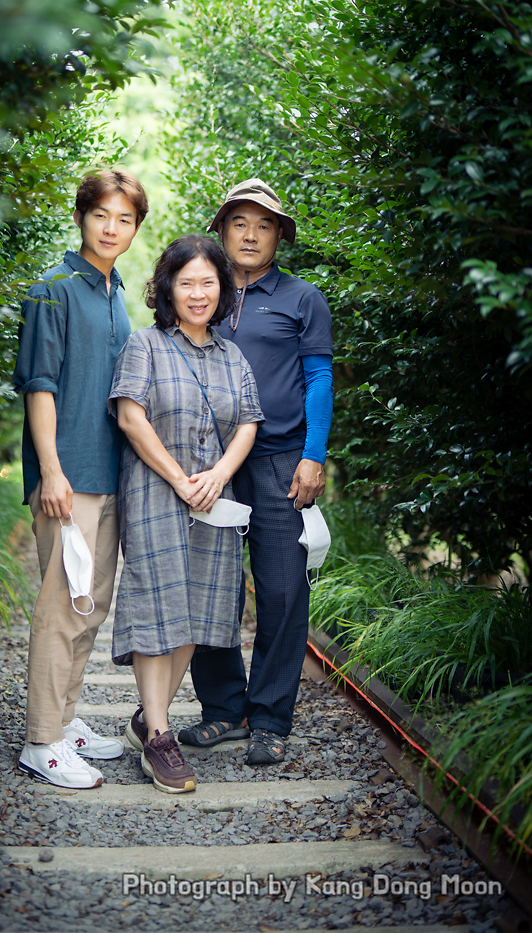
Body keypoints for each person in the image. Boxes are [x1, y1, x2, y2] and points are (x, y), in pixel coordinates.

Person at [178, 178, 333, 766]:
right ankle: (223, 710)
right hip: (209, 463)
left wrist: (313, 455)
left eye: (264, 225)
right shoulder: (203, 292)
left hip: (279, 462)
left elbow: (318, 380)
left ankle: (270, 717)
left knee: (284, 588)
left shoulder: (301, 299)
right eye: (240, 222)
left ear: (278, 236)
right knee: (207, 589)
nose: (250, 234)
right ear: (222, 230)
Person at [108, 235, 264, 794]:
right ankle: (158, 739)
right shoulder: (145, 345)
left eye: (208, 282)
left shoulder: (231, 355)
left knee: (196, 613)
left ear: (221, 289)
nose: (198, 293)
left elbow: (249, 420)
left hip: (213, 501)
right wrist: (179, 479)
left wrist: (219, 474)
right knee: (158, 604)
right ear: (167, 288)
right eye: (186, 282)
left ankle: (149, 718)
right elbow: (130, 417)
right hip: (155, 493)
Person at [12, 168, 147, 789]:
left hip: (109, 474)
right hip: (68, 477)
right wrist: (52, 472)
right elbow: (39, 388)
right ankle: (42, 740)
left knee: (89, 610)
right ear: (82, 216)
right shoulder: (53, 289)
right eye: (102, 215)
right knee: (61, 609)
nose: (112, 227)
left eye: (125, 218)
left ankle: (65, 722)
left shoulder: (114, 292)